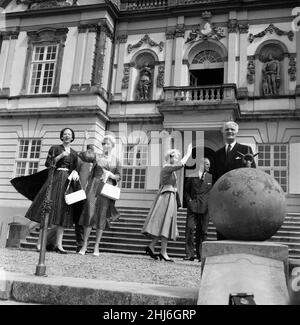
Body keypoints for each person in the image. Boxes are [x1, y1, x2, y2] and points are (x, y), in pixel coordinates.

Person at [12, 128, 80, 253]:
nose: (67, 136)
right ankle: (39, 244)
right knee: (47, 211)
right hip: (54, 181)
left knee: (62, 214)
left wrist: (75, 173)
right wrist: (60, 156)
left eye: (69, 134)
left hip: (66, 183)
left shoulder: (75, 153)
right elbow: (48, 163)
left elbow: (74, 168)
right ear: (61, 136)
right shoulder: (55, 148)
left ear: (72, 137)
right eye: (65, 134)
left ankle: (59, 245)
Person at [142, 143, 193, 262]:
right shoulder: (166, 167)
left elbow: (172, 186)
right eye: (175, 157)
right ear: (170, 157)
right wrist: (188, 154)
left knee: (166, 224)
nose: (177, 159)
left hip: (169, 196)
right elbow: (180, 165)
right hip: (166, 197)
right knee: (166, 223)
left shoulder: (169, 170)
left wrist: (177, 201)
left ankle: (152, 246)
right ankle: (163, 252)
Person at [78, 131, 121, 256]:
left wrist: (111, 174)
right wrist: (85, 140)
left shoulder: (116, 160)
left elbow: (118, 176)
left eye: (107, 144)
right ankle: (84, 245)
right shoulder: (97, 156)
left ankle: (96, 246)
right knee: (90, 214)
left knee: (101, 216)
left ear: (112, 145)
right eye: (103, 143)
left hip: (106, 188)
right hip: (94, 187)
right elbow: (83, 156)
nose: (104, 145)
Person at [212, 121, 256, 240]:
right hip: (222, 198)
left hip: (240, 197)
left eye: (232, 129)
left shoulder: (246, 149)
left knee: (239, 227)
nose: (229, 131)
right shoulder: (217, 154)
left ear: (236, 132)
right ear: (223, 132)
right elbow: (214, 177)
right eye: (227, 129)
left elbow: (253, 172)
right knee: (222, 228)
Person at [183, 157, 212, 262]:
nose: (209, 166)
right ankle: (189, 254)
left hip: (205, 208)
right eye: (207, 164)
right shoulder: (192, 176)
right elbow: (186, 191)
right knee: (189, 229)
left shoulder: (211, 177)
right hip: (193, 207)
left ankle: (201, 255)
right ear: (202, 164)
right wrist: (189, 201)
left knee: (203, 232)